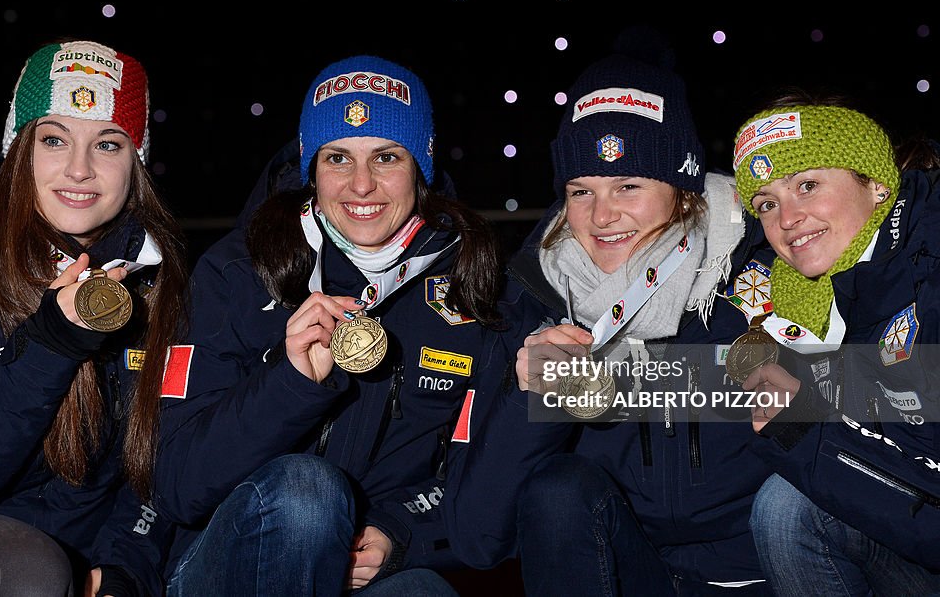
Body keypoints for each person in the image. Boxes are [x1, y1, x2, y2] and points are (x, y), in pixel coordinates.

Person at [153, 55, 523, 595]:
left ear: (420, 165)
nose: (362, 185)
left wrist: (402, 531)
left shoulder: (472, 284)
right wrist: (291, 384)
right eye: (338, 158)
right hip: (227, 563)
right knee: (307, 492)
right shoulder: (238, 272)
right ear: (311, 167)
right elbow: (177, 487)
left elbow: (477, 484)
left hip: (365, 572)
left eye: (387, 157)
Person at [444, 42, 776, 595]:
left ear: (682, 186)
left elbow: (901, 391)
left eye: (629, 185)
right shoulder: (537, 293)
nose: (602, 216)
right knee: (558, 491)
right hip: (630, 572)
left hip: (769, 568)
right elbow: (477, 540)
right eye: (581, 191)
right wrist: (534, 397)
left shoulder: (765, 257)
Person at [0, 40, 186, 597]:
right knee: (27, 572)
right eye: (55, 139)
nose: (80, 169)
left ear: (134, 165)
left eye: (108, 145)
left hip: (87, 561)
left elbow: (160, 467)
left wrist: (121, 572)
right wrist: (51, 344)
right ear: (20, 150)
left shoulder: (159, 276)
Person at [730, 95, 940, 594]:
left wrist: (806, 430)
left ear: (876, 183)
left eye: (807, 185)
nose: (787, 218)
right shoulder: (789, 292)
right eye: (766, 203)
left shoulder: (928, 271)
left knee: (787, 508)